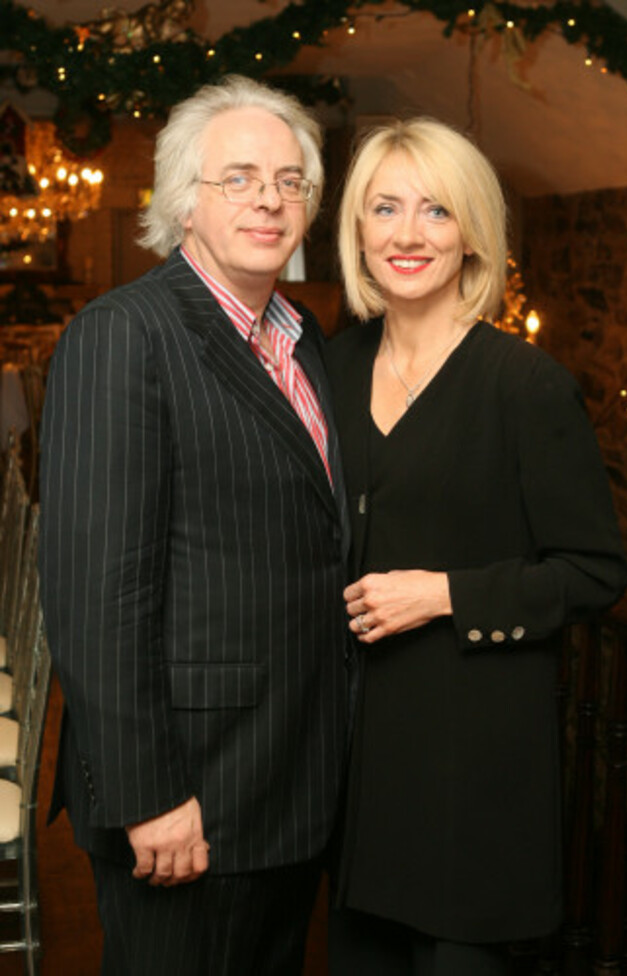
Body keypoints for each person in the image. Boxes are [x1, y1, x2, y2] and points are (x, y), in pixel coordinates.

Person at [38, 74, 352, 976]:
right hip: (188, 798)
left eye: (291, 181)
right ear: (184, 200)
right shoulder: (123, 336)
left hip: (287, 783)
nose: (270, 199)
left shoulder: (301, 337)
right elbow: (96, 594)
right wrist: (150, 796)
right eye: (240, 177)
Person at [324, 118, 627, 976]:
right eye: (385, 208)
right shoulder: (331, 369)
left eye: (436, 210)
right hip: (356, 776)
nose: (408, 234)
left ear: (471, 234)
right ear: (357, 230)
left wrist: (448, 593)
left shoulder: (524, 386)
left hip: (472, 772)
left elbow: (596, 572)